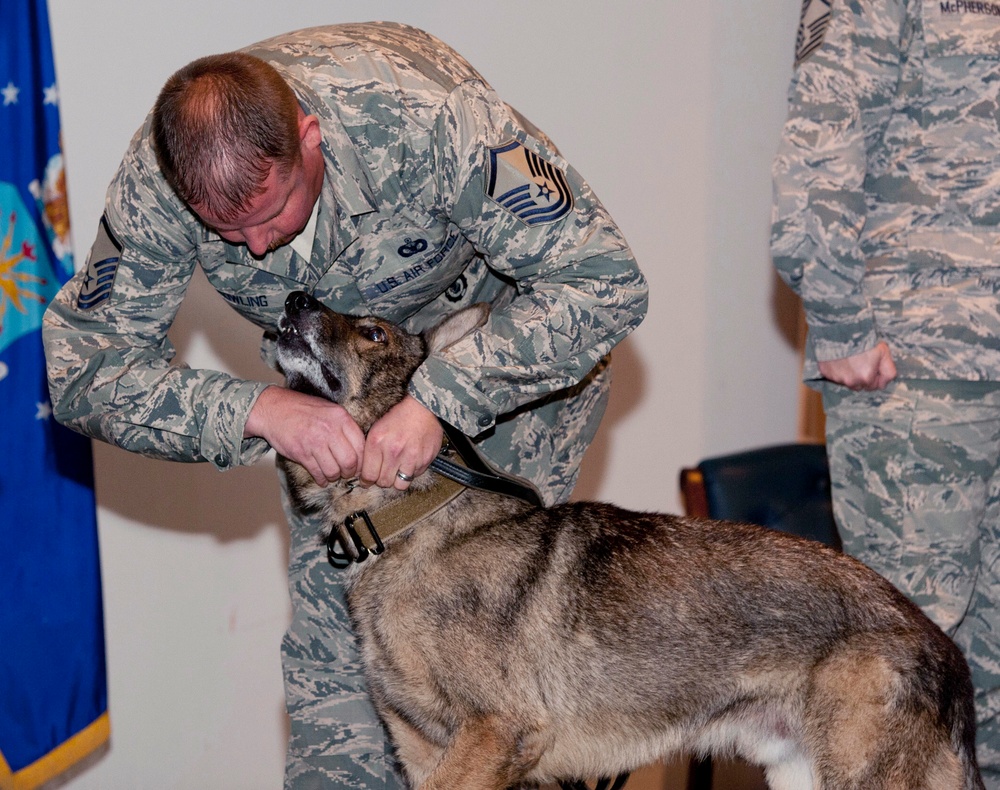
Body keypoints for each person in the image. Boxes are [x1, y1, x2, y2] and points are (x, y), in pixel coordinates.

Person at [42, 22, 647, 790]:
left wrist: (440, 398)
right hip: (333, 391)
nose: (257, 249)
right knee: (341, 664)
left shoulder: (430, 116)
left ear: (310, 138)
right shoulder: (160, 185)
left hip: (506, 362)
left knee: (481, 670)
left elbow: (605, 282)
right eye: (226, 233)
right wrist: (256, 410)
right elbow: (83, 368)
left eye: (272, 210)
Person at [771, 1, 1000, 784]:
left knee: (988, 670)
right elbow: (818, 151)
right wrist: (841, 326)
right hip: (916, 361)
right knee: (905, 665)